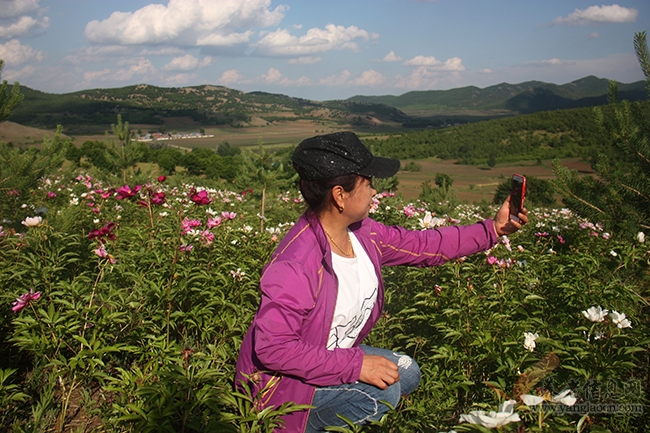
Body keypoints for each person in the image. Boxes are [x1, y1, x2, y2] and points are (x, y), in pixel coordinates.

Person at [235, 131, 528, 432]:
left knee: (407, 372)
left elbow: (425, 244)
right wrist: (356, 366)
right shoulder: (297, 262)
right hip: (283, 389)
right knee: (384, 392)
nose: (375, 191)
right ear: (340, 195)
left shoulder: (361, 233)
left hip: (327, 355)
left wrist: (493, 229)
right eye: (369, 182)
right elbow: (273, 349)